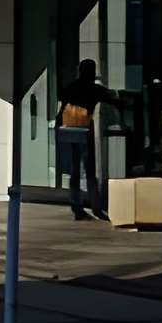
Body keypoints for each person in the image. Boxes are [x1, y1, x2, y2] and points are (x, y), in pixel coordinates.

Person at [55, 60, 110, 221]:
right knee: (90, 171)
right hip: (85, 131)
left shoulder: (72, 87)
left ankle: (76, 206)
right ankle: (96, 207)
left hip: (71, 131)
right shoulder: (94, 88)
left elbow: (62, 105)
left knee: (75, 170)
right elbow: (111, 96)